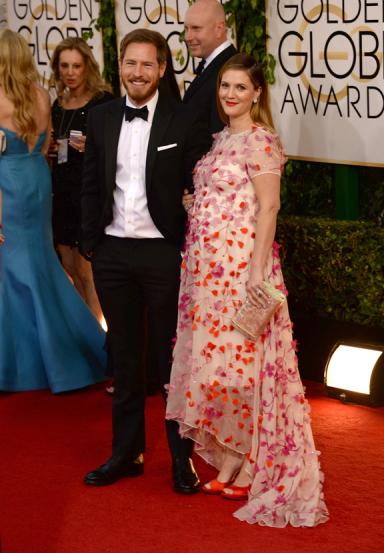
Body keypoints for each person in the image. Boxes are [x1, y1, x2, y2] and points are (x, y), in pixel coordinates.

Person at [166, 54, 329, 527]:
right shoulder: (221, 140)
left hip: (240, 272)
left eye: (240, 87)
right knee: (217, 364)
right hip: (207, 274)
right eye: (225, 87)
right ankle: (232, 452)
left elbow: (269, 207)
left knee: (242, 364)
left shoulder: (260, 140)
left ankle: (245, 456)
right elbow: (226, 196)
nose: (230, 95)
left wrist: (256, 270)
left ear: (258, 92)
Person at [80, 29, 211, 492]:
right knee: (125, 360)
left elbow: (203, 184)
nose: (137, 72)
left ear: (162, 68)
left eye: (146, 64)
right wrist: (91, 243)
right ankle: (126, 453)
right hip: (113, 251)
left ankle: (181, 459)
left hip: (162, 251)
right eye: (130, 64)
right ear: (121, 66)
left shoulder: (185, 119)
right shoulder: (100, 118)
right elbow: (92, 184)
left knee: (170, 362)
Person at [0, 29, 106, 393]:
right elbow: (46, 147)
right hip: (37, 181)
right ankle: (74, 347)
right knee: (40, 263)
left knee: (13, 268)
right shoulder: (43, 97)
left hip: (8, 186)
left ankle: (23, 362)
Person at [50, 37, 114, 324]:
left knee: (87, 271)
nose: (70, 72)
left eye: (76, 65)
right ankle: (85, 335)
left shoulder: (104, 102)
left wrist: (94, 146)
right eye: (64, 66)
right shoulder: (58, 104)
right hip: (61, 192)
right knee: (69, 267)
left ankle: (101, 337)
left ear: (87, 66)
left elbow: (122, 150)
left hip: (90, 193)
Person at [183, 0, 237, 135]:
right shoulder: (215, 64)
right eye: (186, 29)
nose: (188, 37)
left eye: (196, 28)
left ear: (219, 29)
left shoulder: (231, 70)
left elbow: (220, 136)